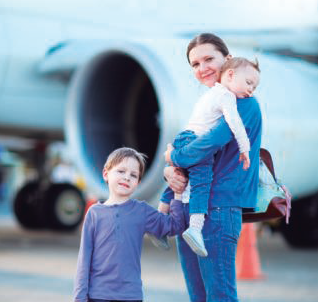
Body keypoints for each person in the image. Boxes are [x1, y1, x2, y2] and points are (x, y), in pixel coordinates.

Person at [164, 33, 262, 301]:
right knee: (199, 296)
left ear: (228, 60)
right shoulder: (212, 105)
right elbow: (194, 152)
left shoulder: (244, 102)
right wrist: (169, 170)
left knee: (219, 296)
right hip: (190, 206)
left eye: (209, 59)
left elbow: (208, 144)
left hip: (217, 209)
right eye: (195, 64)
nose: (202, 68)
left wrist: (173, 157)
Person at [155, 56, 260, 257]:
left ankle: (159, 222)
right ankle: (195, 228)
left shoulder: (209, 94)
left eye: (253, 87)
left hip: (184, 137)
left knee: (178, 180)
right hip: (194, 140)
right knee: (202, 181)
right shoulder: (227, 96)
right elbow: (234, 124)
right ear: (230, 74)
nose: (250, 91)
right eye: (248, 83)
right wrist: (244, 148)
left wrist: (173, 158)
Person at [73, 147, 185, 302]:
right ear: (106, 174)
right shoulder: (94, 213)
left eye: (133, 175)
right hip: (97, 295)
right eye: (121, 171)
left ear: (138, 183)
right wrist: (79, 297)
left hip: (130, 296)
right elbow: (84, 259)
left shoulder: (142, 211)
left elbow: (174, 226)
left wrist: (178, 194)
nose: (127, 177)